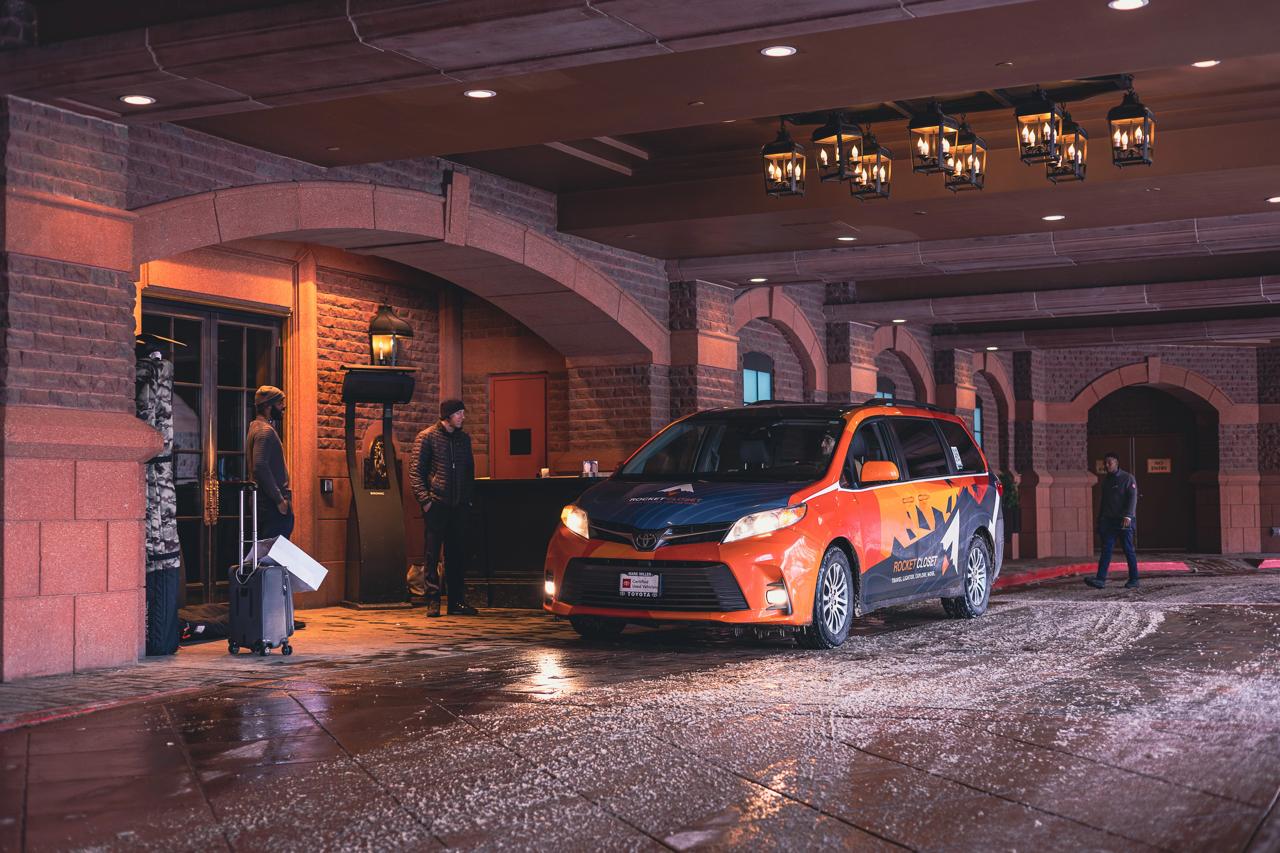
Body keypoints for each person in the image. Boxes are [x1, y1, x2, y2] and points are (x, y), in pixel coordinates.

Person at [410, 399, 478, 617]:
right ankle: (432, 600)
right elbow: (416, 473)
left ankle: (456, 601)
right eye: (459, 413)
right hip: (437, 504)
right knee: (432, 554)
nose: (462, 417)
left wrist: (467, 500)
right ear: (447, 415)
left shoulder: (463, 439)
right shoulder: (427, 437)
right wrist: (426, 501)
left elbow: (469, 471)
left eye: (462, 413)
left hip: (459, 506)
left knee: (457, 554)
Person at [1085, 451, 1139, 590]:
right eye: (1105, 463)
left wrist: (1128, 515)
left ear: (1116, 463)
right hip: (1109, 521)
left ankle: (1134, 579)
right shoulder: (1107, 480)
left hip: (1124, 521)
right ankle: (1100, 579)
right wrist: (1100, 520)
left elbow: (1132, 498)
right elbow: (1104, 502)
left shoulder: (1127, 478)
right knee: (1106, 550)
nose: (1107, 465)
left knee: (1128, 550)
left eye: (1110, 462)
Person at [246, 385, 293, 539]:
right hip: (270, 505)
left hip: (265, 503)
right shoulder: (264, 431)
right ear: (268, 406)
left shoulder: (256, 427)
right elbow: (260, 465)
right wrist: (279, 500)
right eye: (279, 404)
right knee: (272, 557)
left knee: (266, 555)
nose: (283, 407)